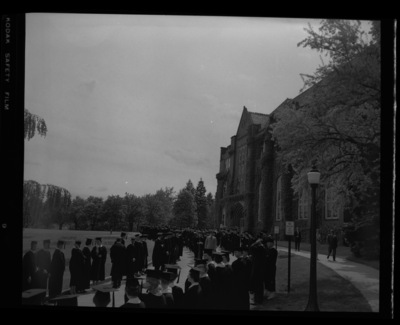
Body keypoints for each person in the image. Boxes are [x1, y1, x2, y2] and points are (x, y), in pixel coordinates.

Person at [249, 237, 267, 305]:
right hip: (261, 268)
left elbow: (251, 247)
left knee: (257, 284)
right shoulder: (262, 248)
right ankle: (259, 299)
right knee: (259, 284)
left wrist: (256, 243)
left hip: (257, 268)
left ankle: (258, 299)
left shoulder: (260, 248)